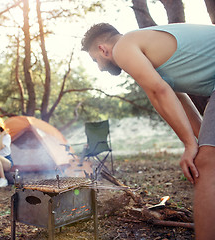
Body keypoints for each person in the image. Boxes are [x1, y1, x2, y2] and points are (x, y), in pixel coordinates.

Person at [81, 23, 215, 239]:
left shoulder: (123, 46)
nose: (99, 67)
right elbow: (177, 98)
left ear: (102, 49)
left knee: (206, 165)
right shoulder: (148, 50)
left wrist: (191, 146)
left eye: (95, 60)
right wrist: (197, 143)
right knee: (207, 157)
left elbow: (158, 92)